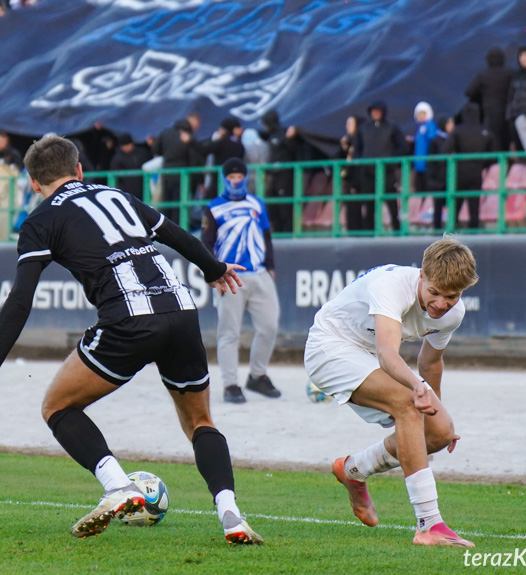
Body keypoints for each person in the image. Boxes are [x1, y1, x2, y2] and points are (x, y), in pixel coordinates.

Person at [0, 134, 263, 546]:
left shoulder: (39, 221)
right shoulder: (117, 196)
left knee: (57, 406)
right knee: (200, 422)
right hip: (180, 310)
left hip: (128, 319)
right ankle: (231, 515)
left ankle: (119, 486)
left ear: (32, 183)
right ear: (79, 168)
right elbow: (175, 235)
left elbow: (20, 299)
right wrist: (213, 268)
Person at [304, 236, 478, 547]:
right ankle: (429, 524)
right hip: (329, 347)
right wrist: (418, 391)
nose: (441, 304)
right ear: (421, 276)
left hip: (366, 356)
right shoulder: (391, 286)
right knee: (407, 404)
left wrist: (434, 410)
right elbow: (387, 352)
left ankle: (354, 469)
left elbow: (430, 361)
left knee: (438, 433)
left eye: (451, 296)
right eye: (434, 292)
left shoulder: (454, 314)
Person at [201, 158, 280, 404]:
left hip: (258, 273)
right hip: (229, 276)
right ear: (224, 179)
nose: (236, 181)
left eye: (239, 176)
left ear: (246, 177)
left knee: (269, 327)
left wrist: (270, 266)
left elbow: (266, 236)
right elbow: (206, 244)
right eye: (231, 177)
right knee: (229, 333)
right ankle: (230, 384)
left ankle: (257, 375)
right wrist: (213, 272)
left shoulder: (257, 203)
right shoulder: (213, 208)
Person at [350, 101, 407, 231]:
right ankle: (368, 234)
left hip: (386, 172)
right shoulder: (363, 128)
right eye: (373, 111)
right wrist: (361, 161)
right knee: (369, 205)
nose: (375, 113)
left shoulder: (392, 127)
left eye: (378, 111)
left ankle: (397, 232)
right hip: (368, 173)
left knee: (392, 205)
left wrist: (390, 159)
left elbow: (403, 147)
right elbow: (357, 148)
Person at [444, 103, 494, 229]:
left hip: (460, 170)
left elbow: (446, 149)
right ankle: (474, 229)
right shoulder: (485, 131)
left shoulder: (458, 130)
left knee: (457, 201)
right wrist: (482, 164)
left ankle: (452, 229)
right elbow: (493, 154)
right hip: (477, 170)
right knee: (474, 202)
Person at [464, 48, 513, 151]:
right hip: (508, 112)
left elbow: (468, 92)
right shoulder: (510, 73)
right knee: (507, 139)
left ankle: (495, 164)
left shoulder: (483, 75)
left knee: (493, 140)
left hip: (490, 113)